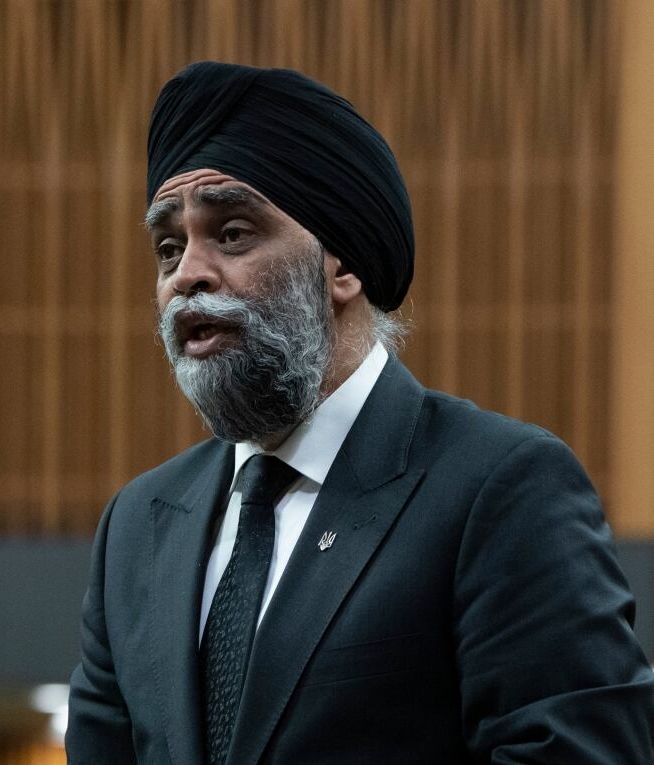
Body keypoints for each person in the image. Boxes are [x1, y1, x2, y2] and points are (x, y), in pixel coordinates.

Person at [66, 61, 654, 764]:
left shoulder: (500, 489)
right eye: (169, 247)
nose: (186, 273)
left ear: (341, 265)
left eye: (232, 234)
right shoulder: (137, 526)